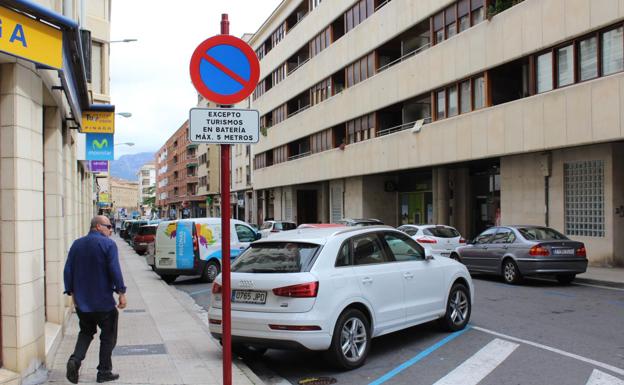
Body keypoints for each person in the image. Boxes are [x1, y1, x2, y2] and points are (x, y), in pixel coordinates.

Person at [63, 215, 127, 384]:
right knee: (108, 336)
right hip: (103, 302)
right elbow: (115, 270)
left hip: (82, 303)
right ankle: (104, 371)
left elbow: (68, 269)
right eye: (108, 226)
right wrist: (121, 292)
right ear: (98, 226)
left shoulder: (77, 244)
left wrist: (70, 291)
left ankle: (75, 361)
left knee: (85, 332)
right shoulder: (108, 245)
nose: (111, 229)